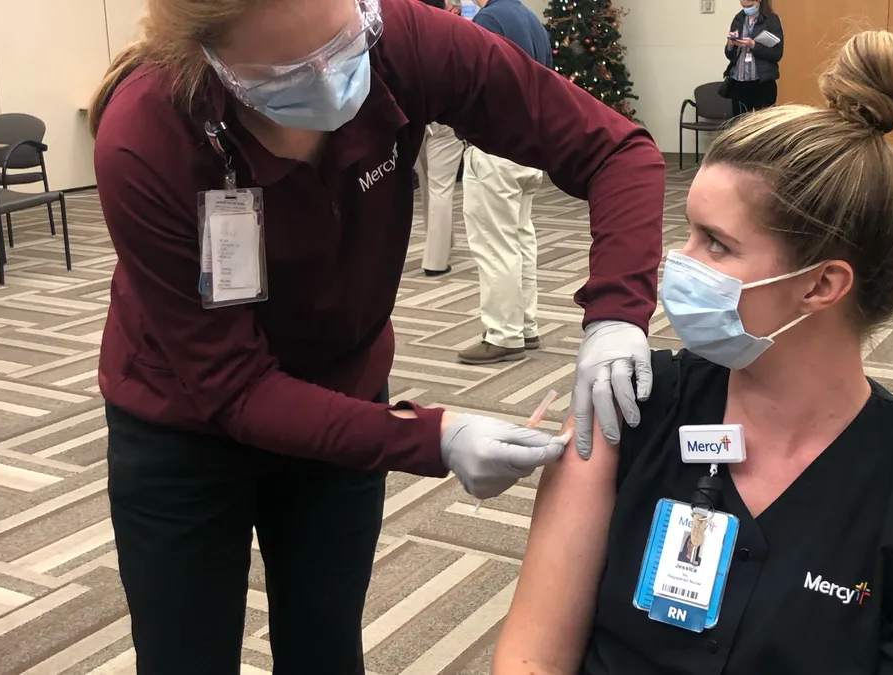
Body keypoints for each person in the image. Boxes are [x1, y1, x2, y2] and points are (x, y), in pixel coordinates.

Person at [86, 0, 664, 672]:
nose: (333, 81)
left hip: (344, 389)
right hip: (184, 425)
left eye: (345, 43)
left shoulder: (401, 41)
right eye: (292, 70)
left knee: (325, 641)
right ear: (218, 62)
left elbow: (615, 148)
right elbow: (235, 389)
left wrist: (618, 314)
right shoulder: (147, 134)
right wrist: (434, 437)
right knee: (184, 651)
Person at [494, 31, 893, 675]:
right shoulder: (630, 405)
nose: (676, 264)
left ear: (821, 285)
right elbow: (531, 658)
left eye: (715, 244)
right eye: (686, 231)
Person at [457, 0, 553, 365]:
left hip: (494, 146)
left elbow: (474, 84)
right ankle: (525, 326)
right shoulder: (531, 19)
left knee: (495, 245)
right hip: (528, 148)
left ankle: (502, 334)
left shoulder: (488, 19)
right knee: (520, 240)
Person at [414, 1, 465, 276]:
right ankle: (435, 260)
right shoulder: (448, 33)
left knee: (428, 186)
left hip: (417, 117)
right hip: (445, 120)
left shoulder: (408, 32)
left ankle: (442, 239)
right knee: (441, 188)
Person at [722, 0, 783, 117]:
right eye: (743, 6)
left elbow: (777, 53)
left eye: (749, 6)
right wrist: (730, 44)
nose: (746, 9)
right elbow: (730, 56)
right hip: (739, 81)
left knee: (763, 124)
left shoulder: (771, 20)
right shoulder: (738, 19)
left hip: (762, 82)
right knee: (739, 124)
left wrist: (753, 45)